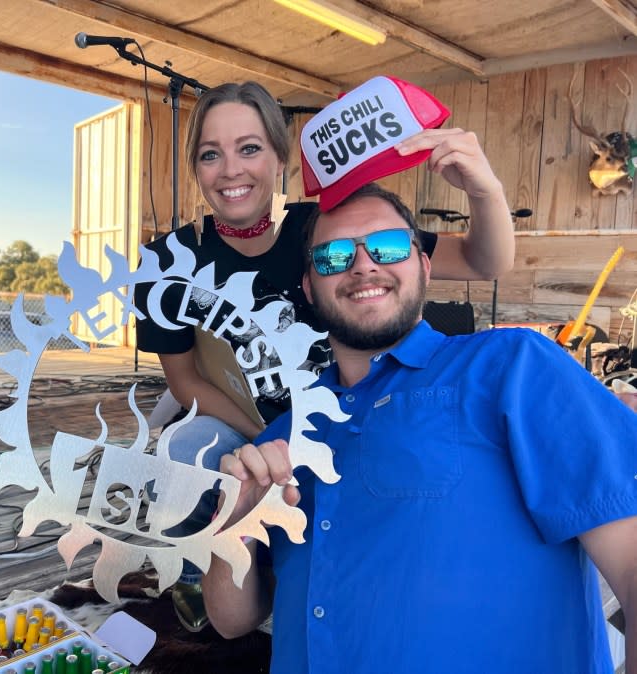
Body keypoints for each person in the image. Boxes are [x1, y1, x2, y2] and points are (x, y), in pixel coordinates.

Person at [202, 183, 637, 673]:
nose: (363, 265)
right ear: (309, 287)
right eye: (333, 255)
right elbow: (230, 620)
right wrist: (232, 523)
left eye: (388, 246)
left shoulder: (512, 367)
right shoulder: (280, 440)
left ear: (424, 267)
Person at [134, 80, 515, 630]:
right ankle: (201, 569)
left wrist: (483, 190)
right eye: (210, 154)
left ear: (280, 158)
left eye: (249, 148)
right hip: (256, 427)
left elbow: (485, 261)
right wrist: (270, 433)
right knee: (185, 443)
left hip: (355, 416)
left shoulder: (331, 228)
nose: (231, 170)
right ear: (195, 166)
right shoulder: (166, 262)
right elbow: (184, 379)